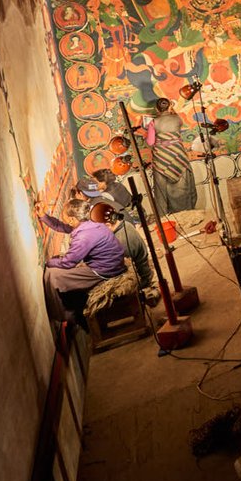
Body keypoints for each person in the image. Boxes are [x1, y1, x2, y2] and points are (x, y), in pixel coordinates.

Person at [39, 199, 128, 325]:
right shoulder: (90, 224)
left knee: (52, 274)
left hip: (106, 271)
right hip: (113, 264)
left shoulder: (84, 236)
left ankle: (63, 315)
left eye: (64, 215)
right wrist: (43, 216)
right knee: (58, 264)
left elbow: (68, 263)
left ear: (72, 219)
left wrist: (49, 262)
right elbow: (61, 226)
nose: (62, 217)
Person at [85, 171, 159, 304]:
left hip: (135, 220)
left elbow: (112, 268)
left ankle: (143, 290)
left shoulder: (120, 241)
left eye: (96, 183)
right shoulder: (123, 222)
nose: (95, 186)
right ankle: (148, 283)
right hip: (132, 223)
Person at [144, 97, 198, 214]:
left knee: (162, 191)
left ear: (156, 108)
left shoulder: (154, 122)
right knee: (184, 186)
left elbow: (150, 142)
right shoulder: (178, 119)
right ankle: (188, 212)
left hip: (161, 159)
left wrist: (147, 131)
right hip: (179, 155)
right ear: (169, 106)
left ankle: (165, 216)